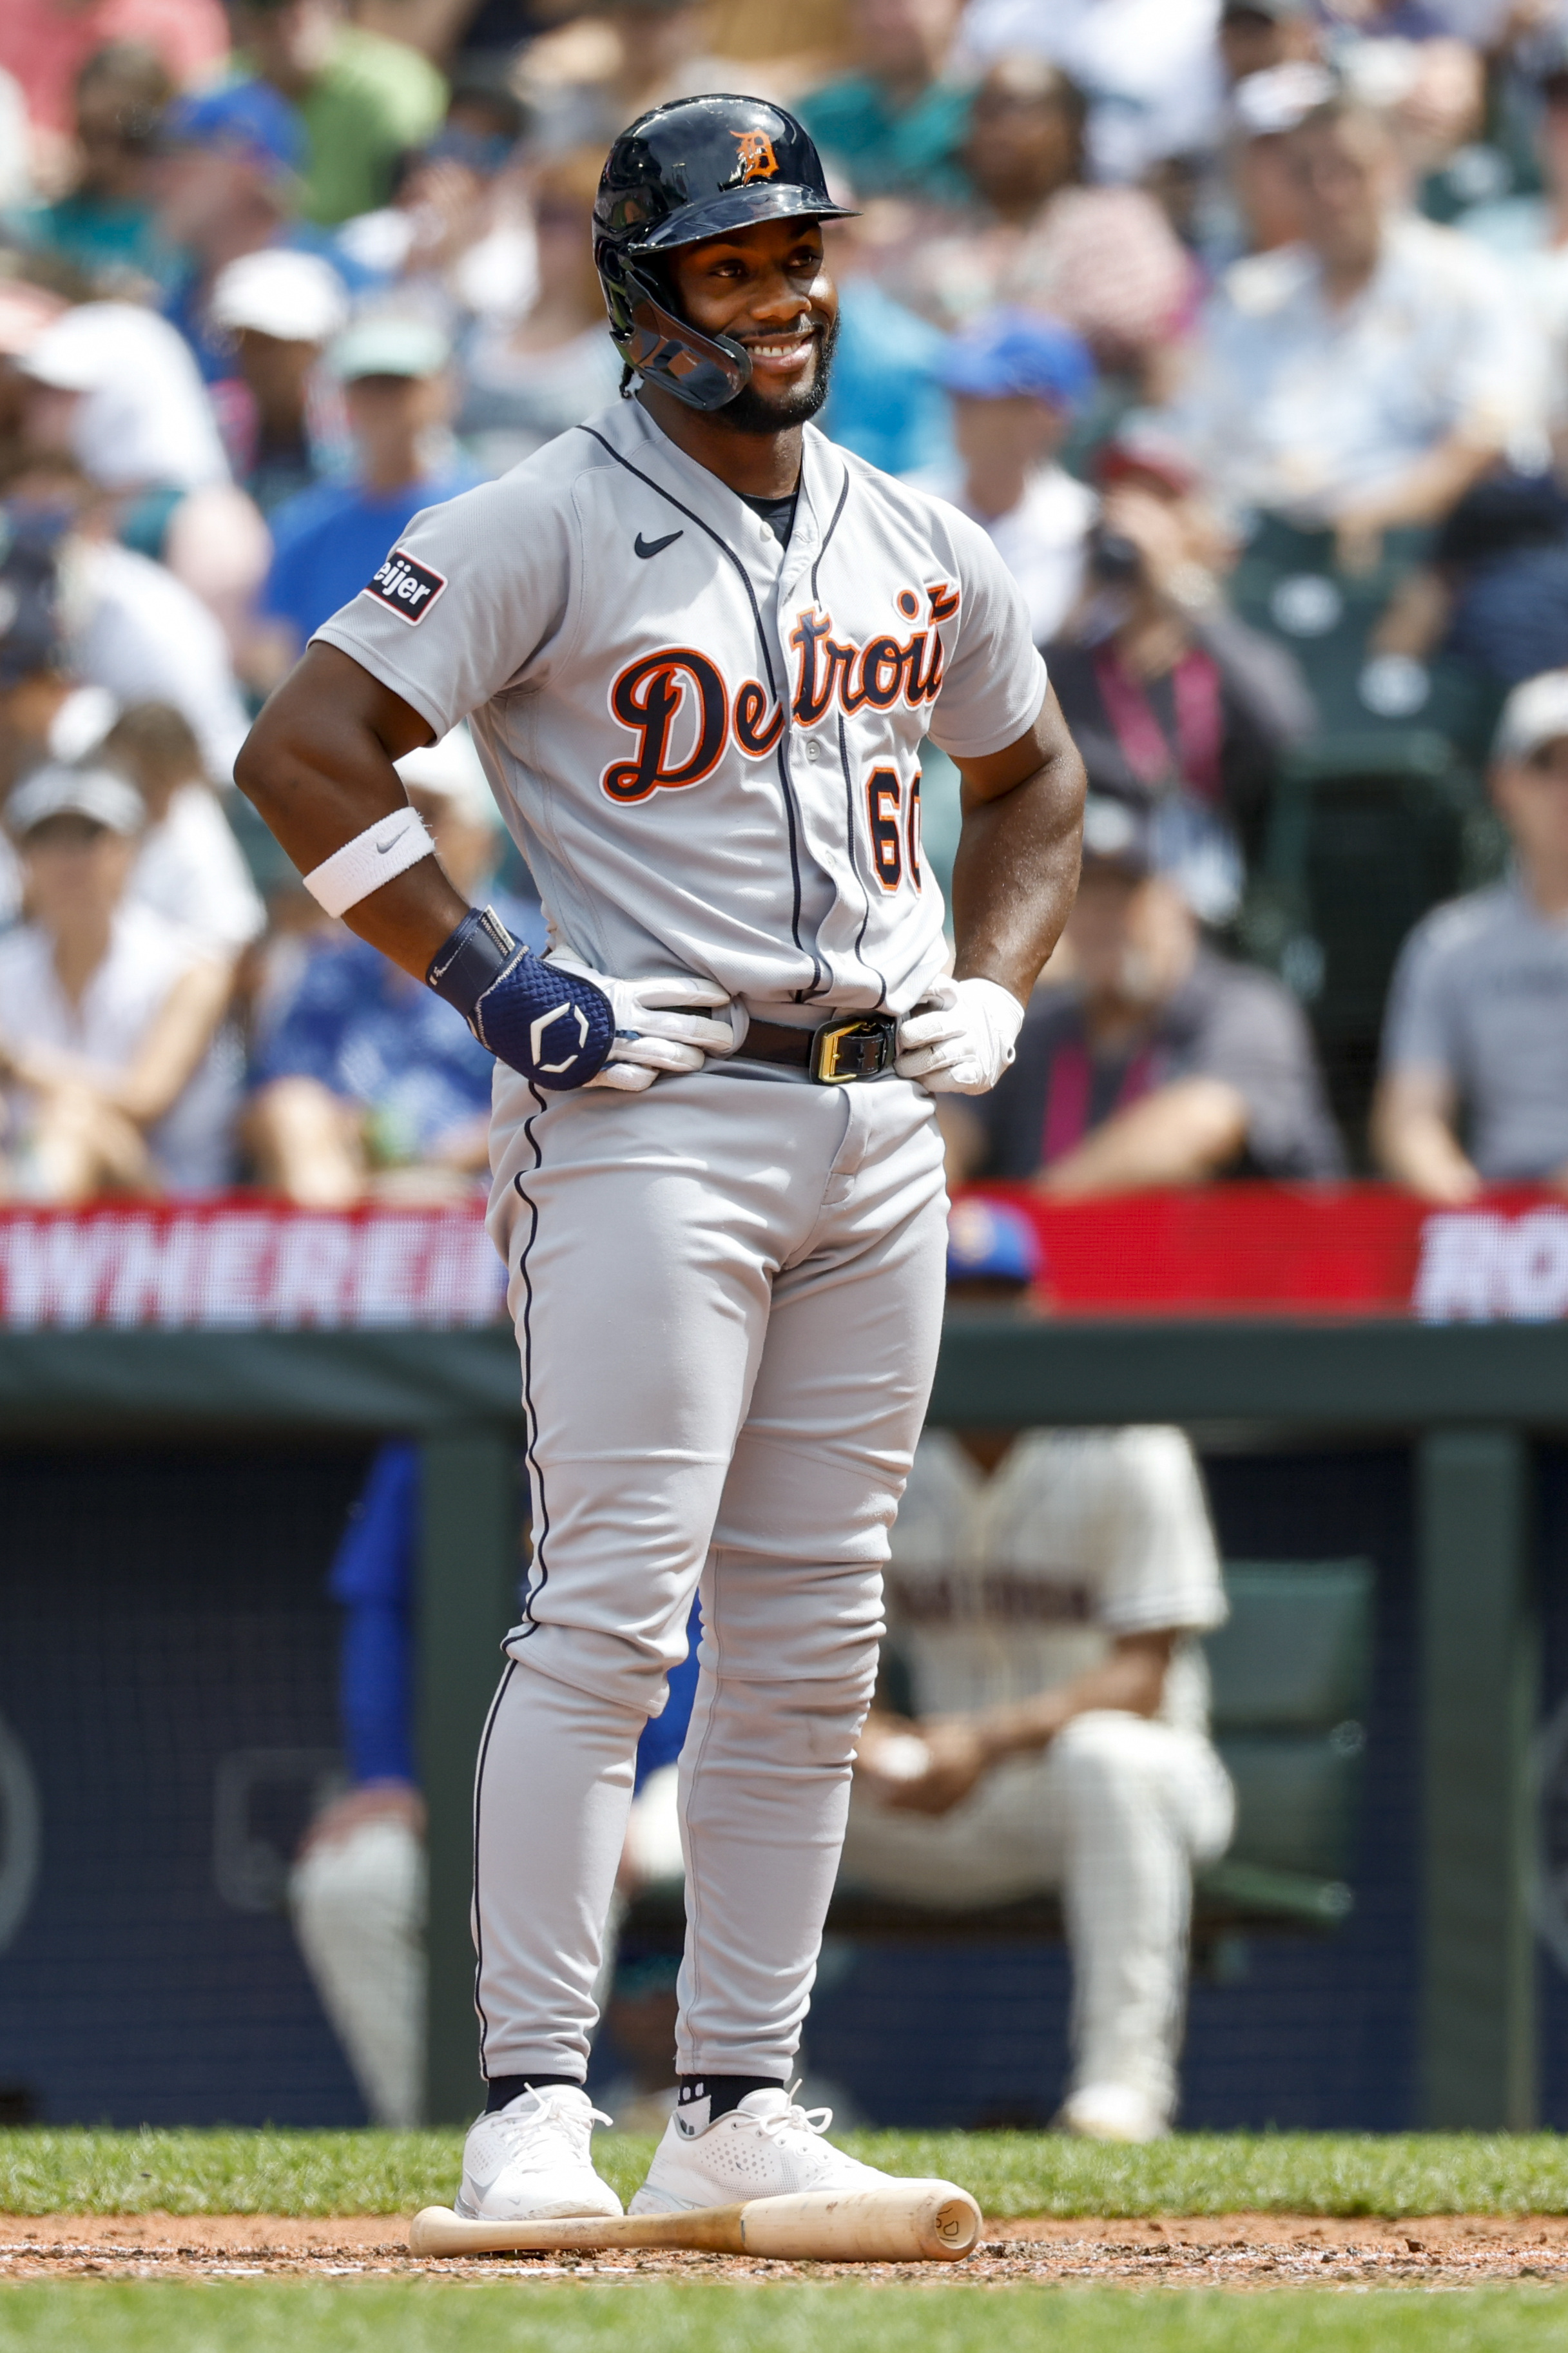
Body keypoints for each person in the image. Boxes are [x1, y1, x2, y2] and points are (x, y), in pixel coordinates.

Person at [235, 92, 1083, 2222]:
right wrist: (494, 980)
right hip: (650, 1113)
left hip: (882, 1116)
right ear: (639, 293)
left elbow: (1039, 777)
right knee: (612, 1604)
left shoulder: (912, 529)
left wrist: (1003, 976)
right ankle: (534, 2103)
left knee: (811, 1628)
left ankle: (740, 2112)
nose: (779, 293)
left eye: (796, 251)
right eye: (730, 259)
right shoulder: (537, 515)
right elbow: (302, 749)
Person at [842, 1196, 1233, 2142]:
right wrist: (876, 1740)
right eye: (956, 1294)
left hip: (1126, 1792)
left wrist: (975, 1740)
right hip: (950, 1793)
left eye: (998, 1293)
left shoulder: (1125, 1437)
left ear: (1041, 1306)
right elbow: (831, 1648)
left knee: (1110, 1753)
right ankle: (739, 2091)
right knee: (750, 1778)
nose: (978, 1316)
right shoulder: (867, 1446)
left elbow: (1141, 1677)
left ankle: (1122, 2093)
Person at [1164, 95, 1542, 576]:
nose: (1329, 192)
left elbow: (1484, 438)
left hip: (1415, 560)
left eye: (1350, 170)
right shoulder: (1250, 297)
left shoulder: (1466, 283)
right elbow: (1192, 435)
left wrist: (1372, 515)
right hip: (1253, 550)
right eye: (1306, 174)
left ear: (1394, 172)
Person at [948, 791, 1342, 1192]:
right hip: (1050, 1248)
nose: (1103, 919)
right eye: (1084, 895)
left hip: (1236, 1252)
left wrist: (1037, 1218)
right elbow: (953, 1125)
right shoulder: (1040, 1025)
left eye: (1126, 895)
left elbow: (1205, 1124)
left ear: (1182, 904)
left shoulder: (1247, 1006)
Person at [246, 726, 543, 1204]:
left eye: (428, 814)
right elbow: (273, 1098)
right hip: (342, 1186)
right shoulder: (334, 959)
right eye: (388, 816)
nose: (405, 834)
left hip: (485, 1194)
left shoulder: (535, 949)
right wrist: (349, 1135)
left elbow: (562, 1100)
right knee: (293, 1113)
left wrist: (442, 1161)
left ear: (482, 839)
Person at [1044, 417, 1316, 894]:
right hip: (1091, 894)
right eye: (1117, 499)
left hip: (1208, 909)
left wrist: (1185, 593)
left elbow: (1287, 734)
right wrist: (1083, 598)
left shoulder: (1227, 651)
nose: (1129, 519)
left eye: (1158, 503)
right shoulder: (1075, 662)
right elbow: (1019, 729)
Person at [0, 762, 238, 1201]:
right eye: (47, 839)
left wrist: (16, 1066)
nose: (66, 859)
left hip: (170, 1212)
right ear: (26, 859)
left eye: (88, 836)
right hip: (31, 1181)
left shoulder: (191, 967)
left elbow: (145, 1100)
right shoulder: (8, 966)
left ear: (130, 850)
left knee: (71, 1123)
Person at [1373, 668, 1568, 1200]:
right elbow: (1410, 1118)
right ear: (1502, 783)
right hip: (1496, 1226)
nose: (1563, 789)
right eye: (1544, 764)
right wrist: (1466, 1205)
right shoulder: (1447, 944)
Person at [884, 55, 1193, 382]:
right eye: (984, 111)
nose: (996, 128)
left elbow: (1129, 323)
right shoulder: (934, 225)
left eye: (1015, 108)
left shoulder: (1117, 219)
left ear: (1069, 128)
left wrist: (979, 330)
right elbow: (890, 323)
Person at [260, 315, 479, 663]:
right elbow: (274, 653)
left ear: (441, 391)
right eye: (367, 385)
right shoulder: (303, 526)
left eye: (397, 385)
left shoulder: (485, 510)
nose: (382, 402)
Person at [919, 307, 1099, 650]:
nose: (960, 411)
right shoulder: (904, 507)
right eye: (957, 395)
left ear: (1044, 416)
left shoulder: (1087, 529)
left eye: (980, 397)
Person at [455, 147, 623, 478]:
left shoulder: (623, 354)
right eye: (543, 213)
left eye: (566, 217)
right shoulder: (481, 334)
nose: (548, 232)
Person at [227, 0, 447, 228]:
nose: (284, 21)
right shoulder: (223, 88)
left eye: (298, 7)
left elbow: (419, 207)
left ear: (335, 7)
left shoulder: (390, 92)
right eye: (264, 7)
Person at [99, 700, 267, 958]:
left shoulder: (195, 840)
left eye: (146, 779)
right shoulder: (114, 821)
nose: (132, 788)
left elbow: (230, 946)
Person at [206, 247, 351, 515]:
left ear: (314, 347)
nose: (257, 359)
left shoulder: (357, 428)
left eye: (273, 343)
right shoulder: (214, 422)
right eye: (245, 342)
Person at [23, 41, 176, 290]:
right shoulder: (46, 224)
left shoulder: (178, 232)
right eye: (92, 134)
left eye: (125, 135)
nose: (107, 154)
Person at [799, 0, 974, 202]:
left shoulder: (988, 114)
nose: (881, 18)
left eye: (898, 4)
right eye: (866, 4)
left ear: (960, 5)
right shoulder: (817, 119)